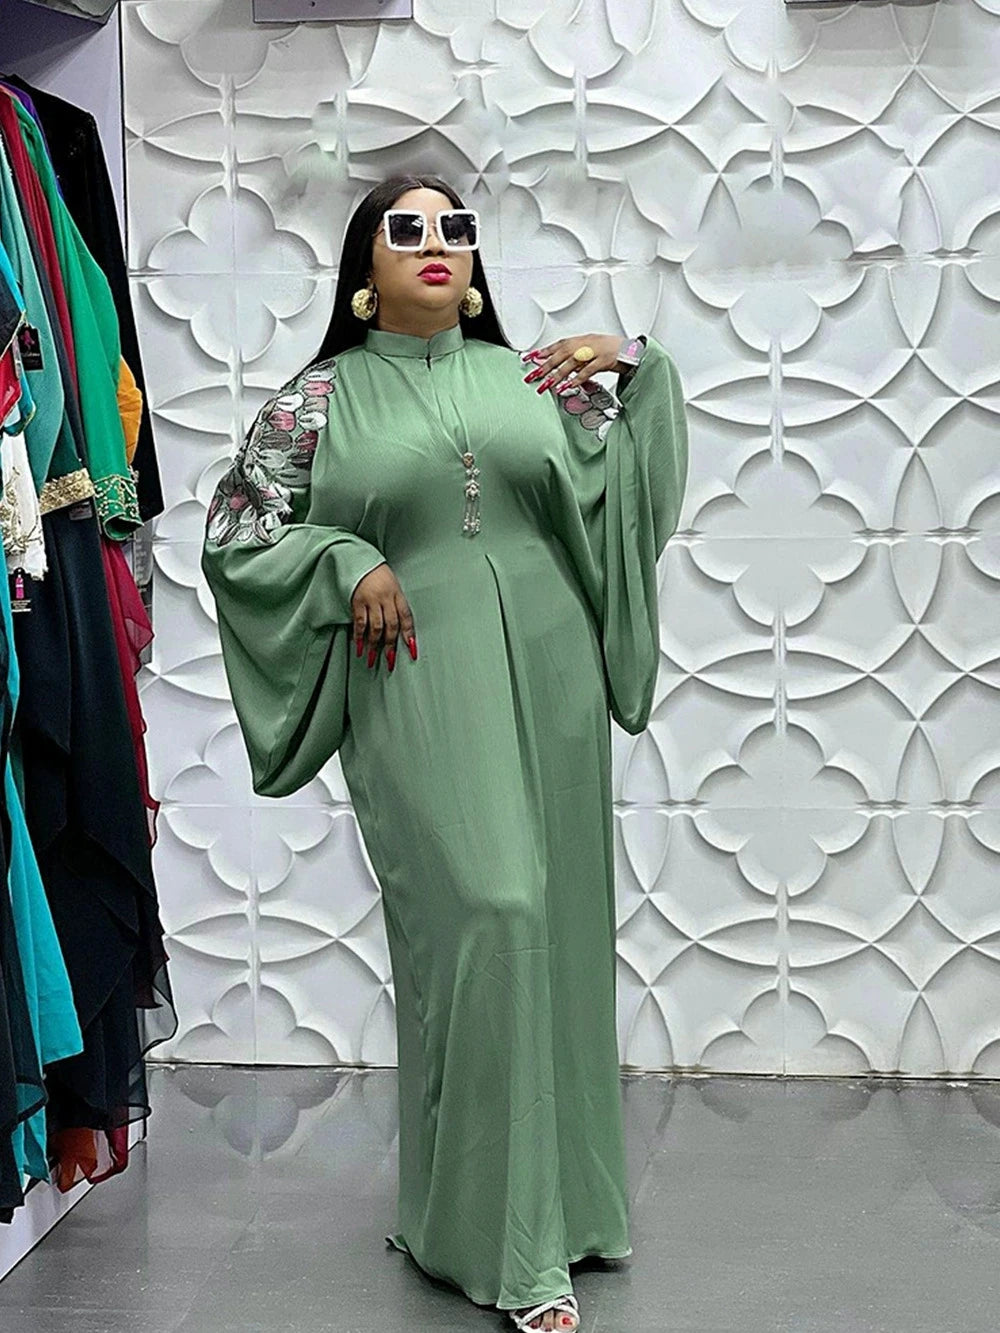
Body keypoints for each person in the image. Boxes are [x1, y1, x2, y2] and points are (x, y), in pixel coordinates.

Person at [201, 173, 688, 1332]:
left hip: (555, 680)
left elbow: (626, 501)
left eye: (455, 229)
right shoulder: (316, 402)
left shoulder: (531, 382)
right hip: (415, 674)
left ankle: (552, 1215)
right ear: (362, 273)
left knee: (557, 931)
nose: (436, 244)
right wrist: (344, 561)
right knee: (490, 909)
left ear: (474, 265)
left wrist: (635, 364)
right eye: (406, 229)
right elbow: (238, 535)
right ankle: (508, 1248)